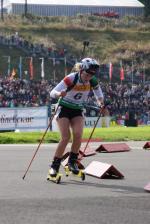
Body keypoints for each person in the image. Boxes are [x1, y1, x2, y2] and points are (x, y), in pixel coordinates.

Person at [48, 57, 104, 177]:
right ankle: (54, 166)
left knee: (78, 135)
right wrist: (59, 94)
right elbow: (52, 92)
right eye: (88, 74)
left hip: (77, 109)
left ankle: (72, 162)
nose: (89, 77)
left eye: (92, 75)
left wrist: (100, 102)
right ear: (82, 70)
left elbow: (98, 92)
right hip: (64, 108)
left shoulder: (92, 80)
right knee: (66, 137)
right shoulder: (71, 78)